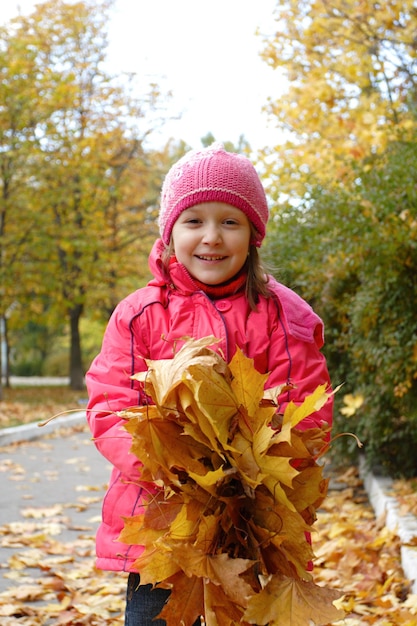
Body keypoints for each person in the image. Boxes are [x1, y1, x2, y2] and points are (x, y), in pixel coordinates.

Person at [85, 143, 333, 626]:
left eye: (230, 221)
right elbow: (111, 405)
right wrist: (167, 463)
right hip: (162, 523)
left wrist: (251, 471)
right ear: (169, 232)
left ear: (253, 234)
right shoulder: (140, 314)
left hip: (254, 526)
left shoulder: (284, 314)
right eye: (194, 220)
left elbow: (307, 407)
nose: (212, 238)